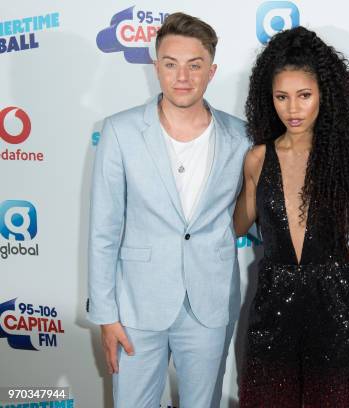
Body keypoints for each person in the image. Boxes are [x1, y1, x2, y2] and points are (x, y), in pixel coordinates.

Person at [87, 13, 249, 407]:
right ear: (156, 66)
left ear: (211, 71)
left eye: (194, 66)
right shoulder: (120, 131)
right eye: (171, 64)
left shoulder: (242, 135)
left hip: (209, 305)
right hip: (136, 307)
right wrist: (107, 316)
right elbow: (104, 230)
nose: (182, 77)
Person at [233, 26, 349, 407]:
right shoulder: (258, 158)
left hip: (336, 305)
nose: (292, 109)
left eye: (304, 96)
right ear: (269, 98)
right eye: (282, 97)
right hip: (273, 304)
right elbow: (239, 225)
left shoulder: (348, 160)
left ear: (324, 96)